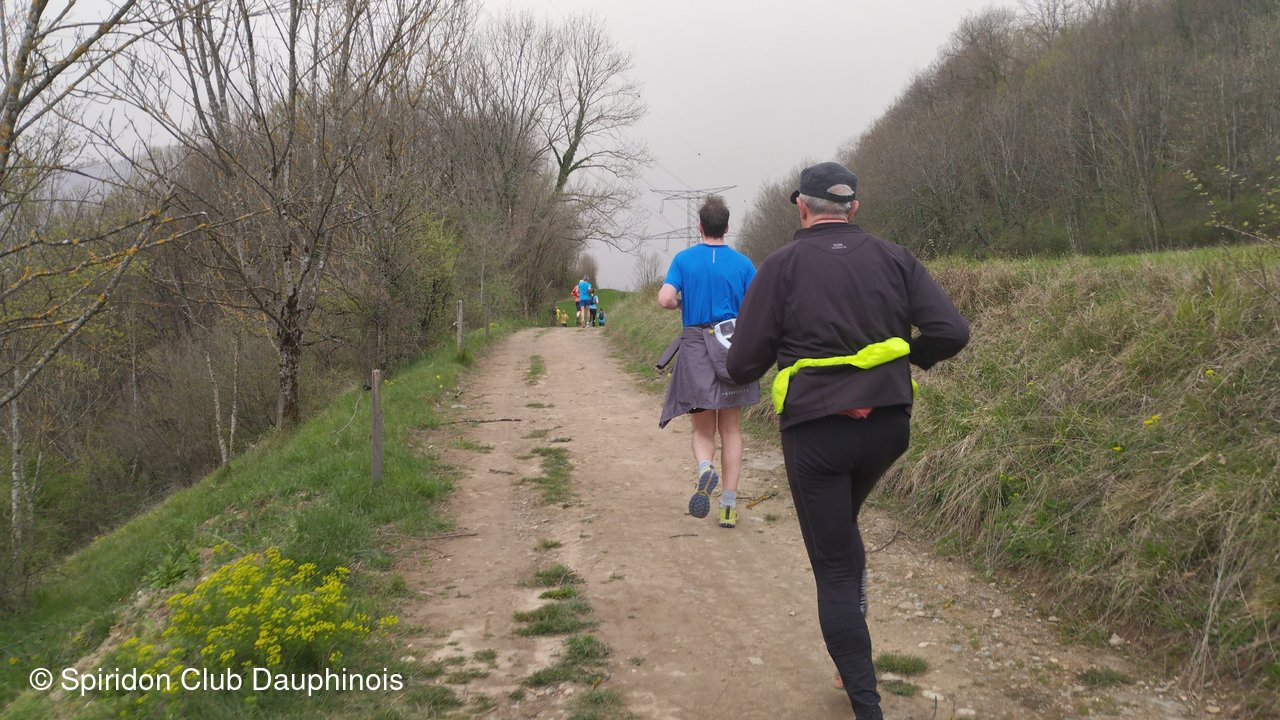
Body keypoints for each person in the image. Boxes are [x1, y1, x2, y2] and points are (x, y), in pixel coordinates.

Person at [726, 162, 968, 720]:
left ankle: (866, 704)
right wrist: (900, 359)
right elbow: (952, 332)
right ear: (853, 208)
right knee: (843, 532)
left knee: (833, 563)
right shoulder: (896, 258)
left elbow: (742, 366)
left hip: (817, 432)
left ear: (801, 207)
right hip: (886, 428)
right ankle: (850, 660)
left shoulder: (780, 266)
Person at [655, 195, 759, 528]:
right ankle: (728, 505)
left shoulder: (684, 260)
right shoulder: (743, 264)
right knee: (731, 429)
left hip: (696, 351)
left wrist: (680, 304)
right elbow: (758, 306)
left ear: (699, 227)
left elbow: (665, 299)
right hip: (732, 349)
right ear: (727, 228)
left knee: (702, 428)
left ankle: (705, 469)